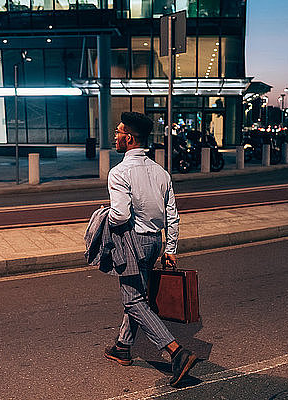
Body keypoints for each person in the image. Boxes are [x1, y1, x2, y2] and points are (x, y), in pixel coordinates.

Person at [103, 111, 197, 387]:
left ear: (129, 139)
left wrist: (103, 215)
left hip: (133, 241)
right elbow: (173, 214)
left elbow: (120, 216)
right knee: (138, 293)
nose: (116, 136)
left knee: (133, 300)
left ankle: (176, 352)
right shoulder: (161, 172)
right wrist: (170, 249)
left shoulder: (119, 173)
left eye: (119, 132)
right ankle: (122, 347)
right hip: (155, 241)